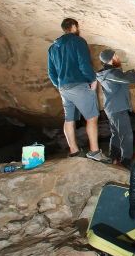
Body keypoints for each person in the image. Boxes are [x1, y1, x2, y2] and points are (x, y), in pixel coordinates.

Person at [47, 18, 110, 163]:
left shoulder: (52, 47)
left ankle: (74, 151)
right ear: (74, 27)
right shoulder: (78, 41)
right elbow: (84, 64)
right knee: (92, 117)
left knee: (69, 119)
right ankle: (94, 151)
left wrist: (60, 85)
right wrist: (92, 79)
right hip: (79, 84)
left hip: (63, 88)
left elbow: (51, 72)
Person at [96, 49, 135, 169]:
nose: (117, 57)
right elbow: (128, 79)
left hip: (112, 108)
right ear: (110, 59)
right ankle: (126, 162)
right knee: (127, 135)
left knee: (116, 133)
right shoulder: (111, 73)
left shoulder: (106, 73)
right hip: (117, 108)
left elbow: (123, 76)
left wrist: (134, 71)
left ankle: (113, 156)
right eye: (115, 56)